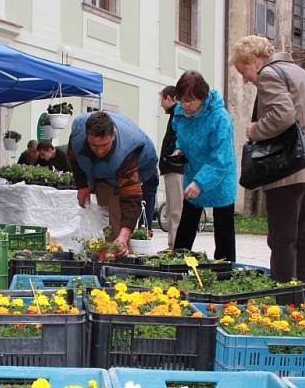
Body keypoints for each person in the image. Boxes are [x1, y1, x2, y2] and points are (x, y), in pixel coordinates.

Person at [231, 35, 305, 299]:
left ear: (254, 61)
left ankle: (285, 298)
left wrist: (255, 130)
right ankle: (301, 294)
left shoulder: (269, 74)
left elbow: (282, 115)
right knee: (304, 236)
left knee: (282, 237)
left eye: (244, 72)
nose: (246, 79)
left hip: (290, 164)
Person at [68, 111, 159, 256]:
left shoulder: (128, 152)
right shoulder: (79, 132)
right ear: (87, 136)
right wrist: (82, 185)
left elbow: (131, 198)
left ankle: (117, 259)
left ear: (113, 135)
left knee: (117, 219)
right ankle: (101, 254)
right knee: (102, 216)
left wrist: (124, 235)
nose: (99, 151)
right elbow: (74, 157)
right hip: (103, 173)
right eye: (94, 145)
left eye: (104, 145)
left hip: (138, 165)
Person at [169, 71, 237, 261]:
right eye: (181, 100)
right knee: (186, 225)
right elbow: (181, 138)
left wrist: (200, 183)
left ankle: (225, 274)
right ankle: (176, 267)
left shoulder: (220, 119)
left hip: (220, 177)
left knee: (223, 231)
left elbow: (222, 160)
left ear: (203, 96)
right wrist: (179, 151)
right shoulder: (180, 113)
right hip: (194, 172)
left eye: (189, 101)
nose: (184, 105)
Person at [158, 85, 185, 249]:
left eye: (162, 99)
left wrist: (171, 157)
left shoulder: (179, 114)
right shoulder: (176, 114)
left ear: (169, 98)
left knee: (176, 210)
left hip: (175, 167)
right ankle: (172, 244)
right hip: (172, 167)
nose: (161, 104)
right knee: (172, 209)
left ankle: (175, 247)